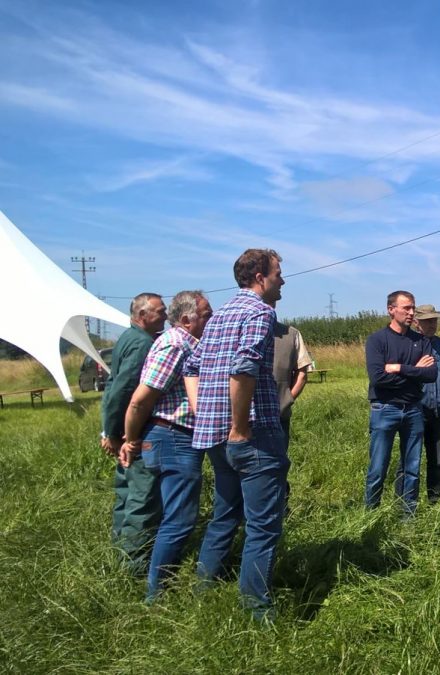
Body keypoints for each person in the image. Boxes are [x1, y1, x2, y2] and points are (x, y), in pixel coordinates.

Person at [184, 249, 288, 623]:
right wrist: (240, 426)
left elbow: (191, 366)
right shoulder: (260, 312)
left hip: (212, 437)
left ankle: (203, 589)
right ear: (260, 276)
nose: (282, 280)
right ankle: (256, 610)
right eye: (278, 272)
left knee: (225, 514)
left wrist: (204, 412)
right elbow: (244, 368)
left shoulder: (219, 316)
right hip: (252, 436)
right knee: (263, 525)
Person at [120, 291, 213, 600]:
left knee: (170, 514)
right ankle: (156, 594)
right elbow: (140, 399)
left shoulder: (187, 344)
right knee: (180, 519)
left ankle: (154, 582)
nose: (211, 320)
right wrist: (131, 439)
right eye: (206, 315)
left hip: (173, 437)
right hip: (173, 437)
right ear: (187, 320)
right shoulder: (175, 345)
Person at [101, 291, 167, 574]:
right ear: (142, 316)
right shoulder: (142, 345)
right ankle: (135, 567)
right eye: (160, 311)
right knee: (142, 500)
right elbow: (125, 390)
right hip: (135, 433)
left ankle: (118, 555)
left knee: (126, 495)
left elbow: (113, 388)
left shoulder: (128, 338)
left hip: (123, 431)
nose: (165, 315)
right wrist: (118, 434)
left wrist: (108, 429)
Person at [364, 291, 436, 516]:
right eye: (406, 308)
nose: (411, 313)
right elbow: (378, 378)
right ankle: (371, 516)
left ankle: (408, 517)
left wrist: (399, 368)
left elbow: (431, 374)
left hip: (413, 409)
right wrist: (416, 372)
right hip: (385, 408)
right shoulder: (377, 340)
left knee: (412, 467)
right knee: (378, 467)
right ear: (391, 309)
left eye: (412, 308)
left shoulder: (420, 341)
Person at [411, 304, 440, 504]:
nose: (432, 324)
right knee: (411, 460)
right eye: (427, 321)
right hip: (416, 411)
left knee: (437, 459)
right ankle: (407, 502)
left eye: (434, 320)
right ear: (416, 322)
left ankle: (434, 500)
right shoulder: (409, 344)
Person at [270, 310, 315, 447]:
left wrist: (287, 399)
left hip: (279, 416)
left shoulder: (291, 334)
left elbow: (302, 374)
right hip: (248, 418)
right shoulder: (237, 331)